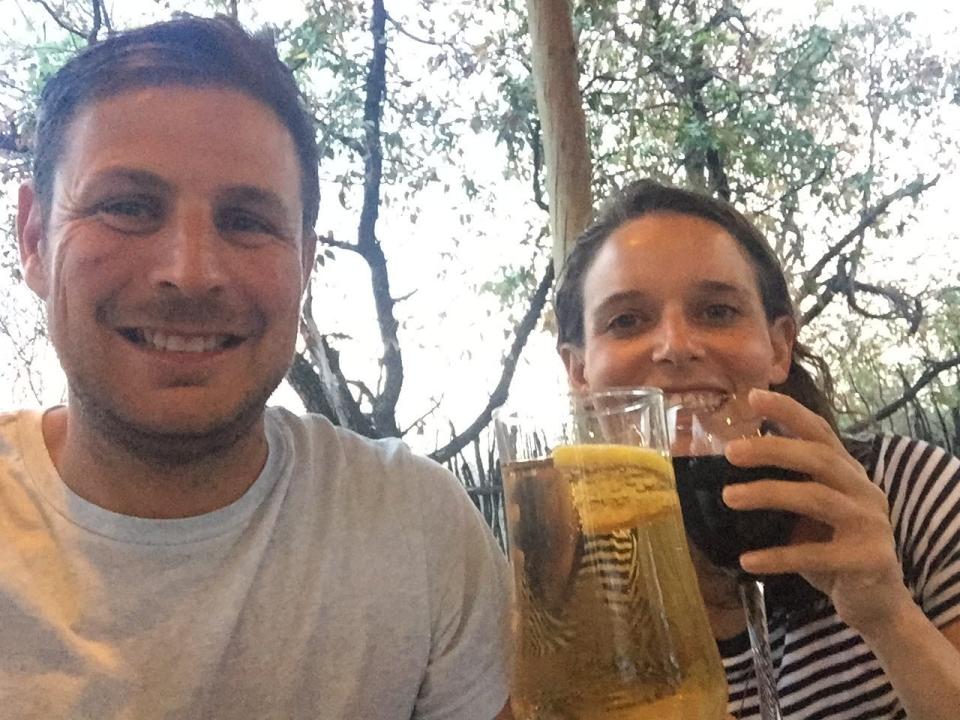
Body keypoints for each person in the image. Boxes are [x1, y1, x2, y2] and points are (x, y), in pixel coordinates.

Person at [3, 15, 512, 720]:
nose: (191, 272)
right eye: (127, 207)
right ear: (33, 237)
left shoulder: (413, 529)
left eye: (246, 220)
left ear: (304, 261)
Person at [553, 179, 960, 719]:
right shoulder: (563, 583)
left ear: (779, 347)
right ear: (579, 372)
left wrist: (888, 613)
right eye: (626, 320)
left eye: (717, 311)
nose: (675, 346)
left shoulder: (909, 491)